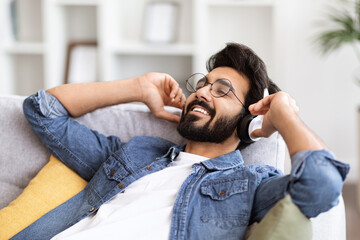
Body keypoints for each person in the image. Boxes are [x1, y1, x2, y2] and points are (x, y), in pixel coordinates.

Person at [13, 43, 348, 240]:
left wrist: (284, 113)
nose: (201, 91)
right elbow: (42, 111)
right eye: (202, 84)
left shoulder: (250, 184)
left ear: (249, 120)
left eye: (222, 90)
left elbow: (320, 186)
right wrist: (138, 87)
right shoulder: (135, 152)